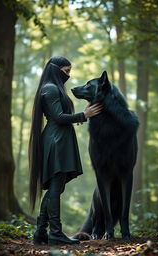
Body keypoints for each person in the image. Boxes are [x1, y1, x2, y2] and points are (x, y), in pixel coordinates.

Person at [28, 56, 102, 246]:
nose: (69, 75)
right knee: (56, 186)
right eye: (66, 71)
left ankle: (40, 233)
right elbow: (59, 117)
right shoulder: (51, 88)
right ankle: (55, 233)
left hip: (58, 140)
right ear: (55, 69)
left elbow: (60, 115)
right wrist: (83, 115)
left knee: (56, 187)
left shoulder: (51, 88)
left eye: (70, 71)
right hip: (56, 141)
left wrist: (81, 114)